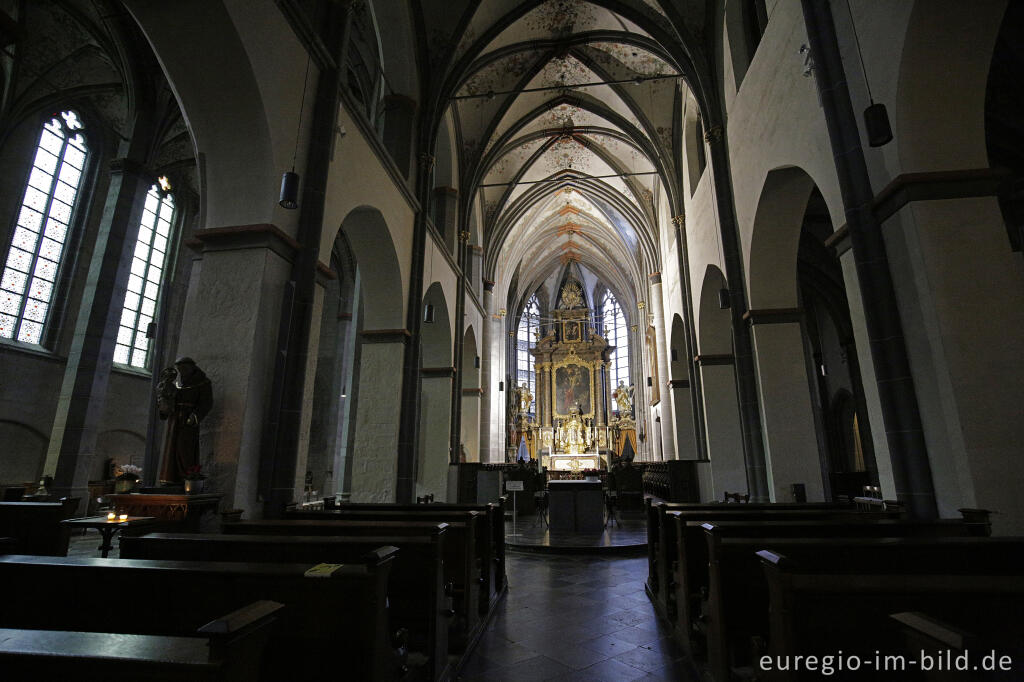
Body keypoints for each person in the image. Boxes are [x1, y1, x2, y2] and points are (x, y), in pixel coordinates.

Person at [157, 357, 213, 484]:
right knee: (171, 447)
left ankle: (186, 476)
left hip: (188, 419)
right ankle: (170, 477)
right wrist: (165, 402)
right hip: (175, 418)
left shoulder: (203, 383)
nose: (181, 371)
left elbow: (206, 403)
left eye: (184, 368)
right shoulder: (177, 384)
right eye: (179, 369)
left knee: (185, 447)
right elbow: (168, 400)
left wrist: (195, 416)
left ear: (191, 367)